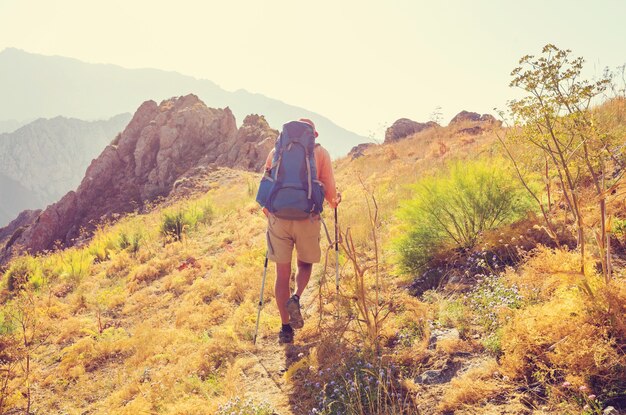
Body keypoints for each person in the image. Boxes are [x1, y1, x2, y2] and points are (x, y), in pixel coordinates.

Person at [262, 118, 340, 344]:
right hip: (307, 217)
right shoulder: (320, 153)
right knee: (304, 264)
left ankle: (285, 329)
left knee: (281, 274)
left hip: (279, 218)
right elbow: (330, 190)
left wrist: (269, 213)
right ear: (312, 134)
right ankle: (296, 297)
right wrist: (335, 202)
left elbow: (266, 182)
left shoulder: (276, 150)